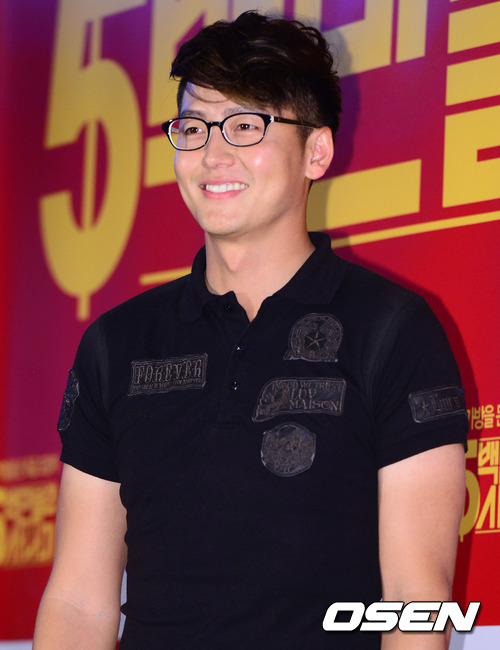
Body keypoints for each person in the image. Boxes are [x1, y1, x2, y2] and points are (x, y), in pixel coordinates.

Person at [34, 11, 468, 649]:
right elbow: (77, 601)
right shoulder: (117, 345)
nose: (212, 155)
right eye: (193, 128)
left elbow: (416, 599)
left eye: (245, 125)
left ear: (316, 151)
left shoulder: (393, 329)